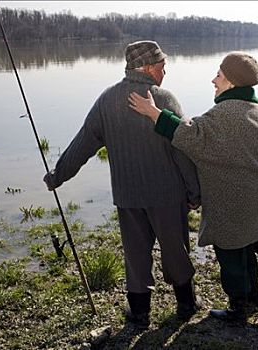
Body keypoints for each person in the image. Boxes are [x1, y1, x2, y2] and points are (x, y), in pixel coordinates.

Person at [43, 40, 201, 330]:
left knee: (136, 252)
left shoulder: (107, 100)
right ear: (150, 68)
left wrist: (58, 174)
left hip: (128, 195)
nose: (165, 72)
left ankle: (139, 313)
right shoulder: (163, 99)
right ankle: (186, 305)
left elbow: (83, 143)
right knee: (175, 248)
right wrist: (195, 192)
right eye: (163, 67)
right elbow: (182, 149)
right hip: (167, 195)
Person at [128, 51, 258, 323]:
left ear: (233, 82)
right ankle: (253, 298)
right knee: (247, 252)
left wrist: (153, 113)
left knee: (230, 257)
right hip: (252, 201)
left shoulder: (223, 115)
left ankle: (238, 308)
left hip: (228, 203)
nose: (214, 80)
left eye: (220, 75)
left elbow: (190, 135)